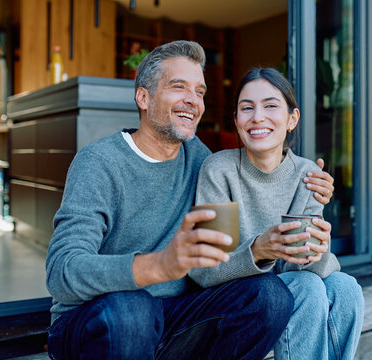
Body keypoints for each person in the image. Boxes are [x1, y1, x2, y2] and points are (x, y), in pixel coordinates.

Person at [45, 41, 334, 359]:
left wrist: (308, 186)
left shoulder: (202, 160)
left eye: (200, 92)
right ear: (144, 97)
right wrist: (160, 265)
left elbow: (228, 254)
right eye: (178, 87)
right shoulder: (99, 161)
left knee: (268, 295)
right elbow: (62, 272)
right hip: (98, 320)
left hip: (175, 318)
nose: (192, 101)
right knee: (133, 308)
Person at [193, 67, 365, 360]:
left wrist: (317, 251)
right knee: (308, 288)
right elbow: (206, 271)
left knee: (346, 288)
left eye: (271, 106)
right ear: (236, 121)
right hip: (235, 296)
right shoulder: (219, 170)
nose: (257, 117)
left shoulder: (308, 175)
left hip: (290, 283)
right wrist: (259, 249)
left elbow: (302, 267)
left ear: (292, 119)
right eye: (246, 108)